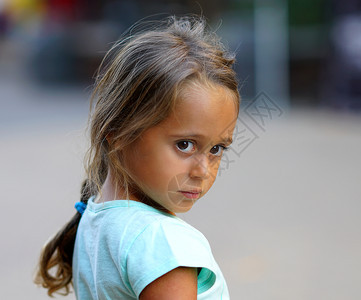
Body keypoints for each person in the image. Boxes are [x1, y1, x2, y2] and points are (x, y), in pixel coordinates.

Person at [34, 16, 239, 300]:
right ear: (117, 133)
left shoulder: (92, 217)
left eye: (217, 149)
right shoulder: (163, 243)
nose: (203, 170)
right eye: (184, 144)